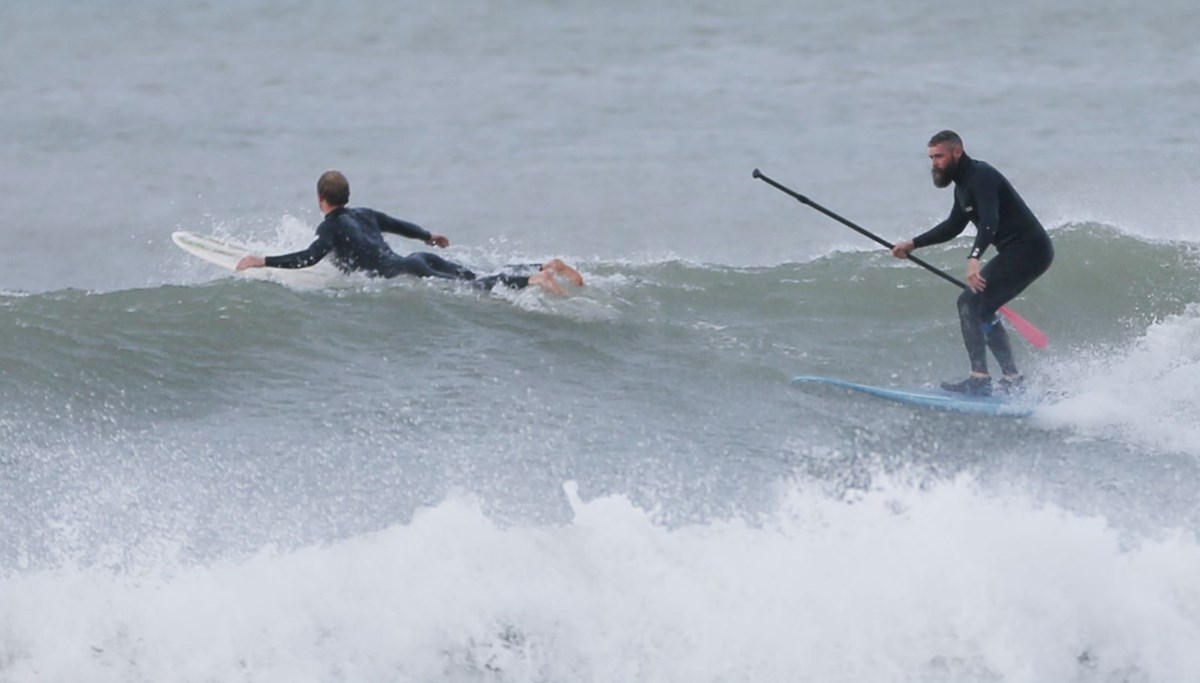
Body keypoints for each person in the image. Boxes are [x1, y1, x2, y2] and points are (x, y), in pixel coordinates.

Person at [236, 170, 583, 295]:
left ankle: (535, 281)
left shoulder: (330, 227)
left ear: (320, 198)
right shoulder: (364, 214)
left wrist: (261, 260)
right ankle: (543, 266)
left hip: (408, 270)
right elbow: (397, 224)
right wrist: (427, 236)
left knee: (477, 288)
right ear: (347, 197)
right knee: (480, 276)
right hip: (418, 258)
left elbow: (308, 258)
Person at [890, 130, 1053, 396]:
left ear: (958, 151)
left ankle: (980, 379)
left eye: (939, 156)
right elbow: (953, 226)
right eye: (931, 158)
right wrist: (913, 243)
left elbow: (991, 220)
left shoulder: (982, 176)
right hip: (1021, 251)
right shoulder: (963, 185)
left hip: (1029, 250)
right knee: (982, 308)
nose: (934, 163)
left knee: (969, 302)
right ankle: (1013, 378)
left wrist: (974, 258)